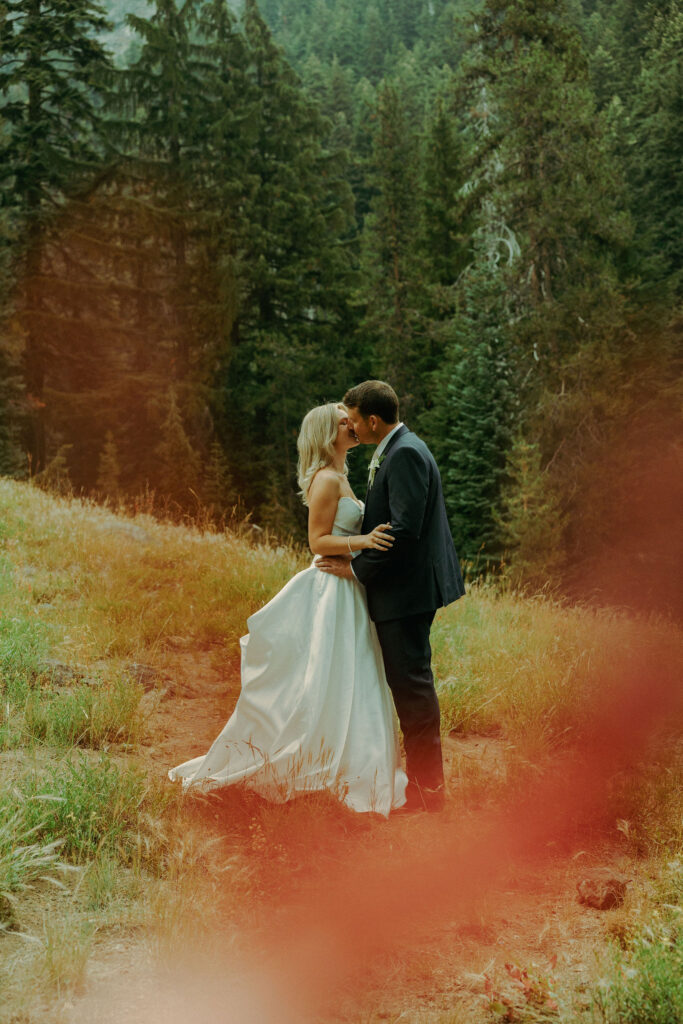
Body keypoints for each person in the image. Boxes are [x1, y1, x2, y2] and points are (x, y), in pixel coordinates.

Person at [168, 402, 408, 817]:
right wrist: (365, 542)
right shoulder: (326, 481)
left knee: (356, 676)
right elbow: (317, 543)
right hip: (331, 590)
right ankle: (307, 758)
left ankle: (355, 759)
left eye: (350, 420)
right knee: (327, 675)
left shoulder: (343, 476)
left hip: (349, 589)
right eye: (341, 423)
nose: (350, 425)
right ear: (325, 434)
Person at [316, 381, 465, 813]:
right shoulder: (399, 448)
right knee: (409, 686)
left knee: (413, 689)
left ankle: (428, 792)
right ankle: (424, 785)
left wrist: (355, 569)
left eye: (355, 420)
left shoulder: (405, 455)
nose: (352, 427)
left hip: (407, 593)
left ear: (373, 421)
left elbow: (403, 531)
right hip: (405, 590)